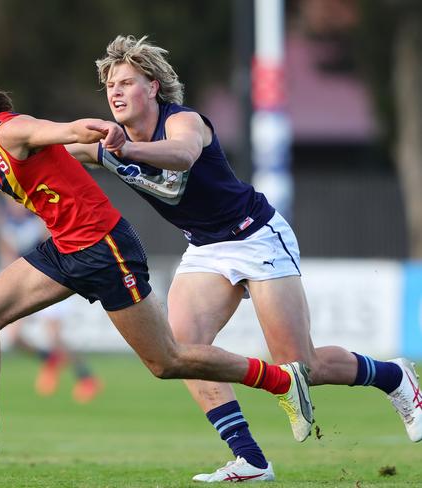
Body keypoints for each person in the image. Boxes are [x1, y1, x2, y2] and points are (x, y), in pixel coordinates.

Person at [0, 59, 313, 475]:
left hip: (107, 248)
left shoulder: (11, 130)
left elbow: (63, 130)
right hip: (64, 249)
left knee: (167, 361)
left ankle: (280, 380)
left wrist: (99, 131)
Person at [63, 35, 422, 482]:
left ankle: (393, 377)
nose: (115, 92)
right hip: (205, 249)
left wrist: (121, 151)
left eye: (126, 82)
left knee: (299, 366)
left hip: (256, 237)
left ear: (152, 87)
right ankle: (250, 459)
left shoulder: (183, 122)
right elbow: (48, 149)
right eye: (110, 85)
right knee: (180, 352)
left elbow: (182, 155)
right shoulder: (107, 140)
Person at [0, 197, 102, 403]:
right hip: (23, 281)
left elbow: (52, 242)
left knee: (55, 337)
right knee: (13, 337)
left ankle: (86, 377)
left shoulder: (39, 212)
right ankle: (49, 359)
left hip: (51, 277)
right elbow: (6, 249)